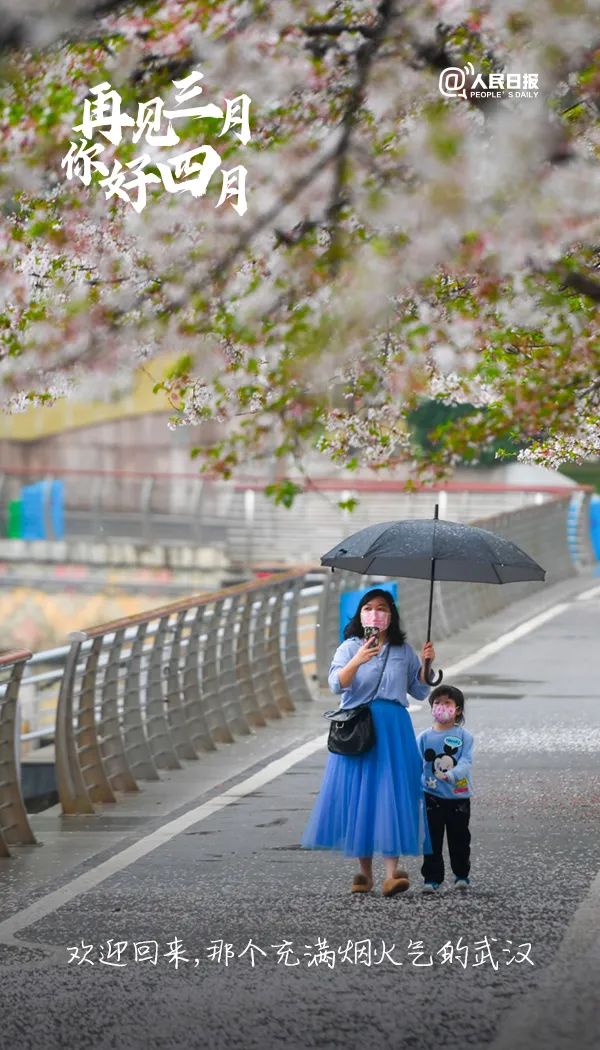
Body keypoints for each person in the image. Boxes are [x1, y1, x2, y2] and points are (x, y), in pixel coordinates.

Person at [301, 588, 435, 896]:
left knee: (392, 792)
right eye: (369, 608)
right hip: (359, 728)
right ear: (360, 614)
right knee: (360, 794)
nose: (375, 613)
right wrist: (359, 659)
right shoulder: (349, 648)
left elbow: (419, 690)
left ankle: (392, 872)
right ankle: (364, 872)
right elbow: (337, 684)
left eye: (382, 608)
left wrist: (426, 665)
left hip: (393, 728)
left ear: (391, 614)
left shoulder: (403, 650)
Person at [416, 684, 473, 893]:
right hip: (431, 796)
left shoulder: (464, 736)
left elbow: (466, 762)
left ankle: (461, 875)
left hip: (459, 796)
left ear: (457, 710)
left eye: (447, 703)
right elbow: (415, 763)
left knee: (459, 838)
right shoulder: (423, 737)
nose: (441, 707)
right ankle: (431, 878)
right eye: (437, 703)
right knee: (431, 839)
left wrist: (452, 775)